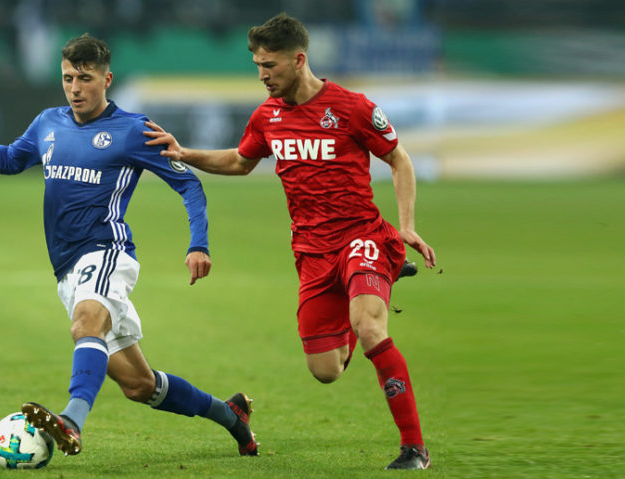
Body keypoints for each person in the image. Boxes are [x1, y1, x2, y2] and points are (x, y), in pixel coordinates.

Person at [0, 34, 257, 459]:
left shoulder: (133, 130)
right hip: (66, 268)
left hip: (107, 252)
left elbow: (189, 185)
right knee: (138, 385)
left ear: (106, 79)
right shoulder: (48, 123)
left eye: (85, 79)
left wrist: (198, 244)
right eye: (68, 78)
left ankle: (71, 420)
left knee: (86, 324)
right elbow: (13, 159)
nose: (74, 88)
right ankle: (231, 415)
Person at [144, 13, 435, 470]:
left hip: (361, 237)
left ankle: (414, 448)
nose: (262, 75)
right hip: (312, 253)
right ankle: (370, 286)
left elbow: (399, 159)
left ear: (299, 60)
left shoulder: (353, 107)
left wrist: (407, 225)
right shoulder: (267, 116)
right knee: (326, 370)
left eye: (270, 66)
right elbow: (241, 162)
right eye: (258, 65)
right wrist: (186, 154)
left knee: (371, 328)